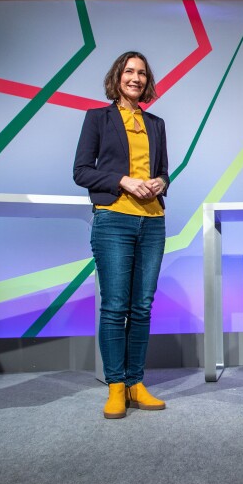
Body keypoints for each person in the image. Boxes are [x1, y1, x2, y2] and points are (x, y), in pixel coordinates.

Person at [74, 51, 169, 419]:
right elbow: (81, 171)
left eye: (142, 73)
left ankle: (135, 383)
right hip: (113, 218)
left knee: (142, 307)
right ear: (118, 77)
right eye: (129, 71)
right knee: (115, 307)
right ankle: (115, 386)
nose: (136, 78)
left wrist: (162, 181)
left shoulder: (156, 123)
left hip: (153, 221)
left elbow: (163, 171)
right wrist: (122, 180)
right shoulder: (98, 118)